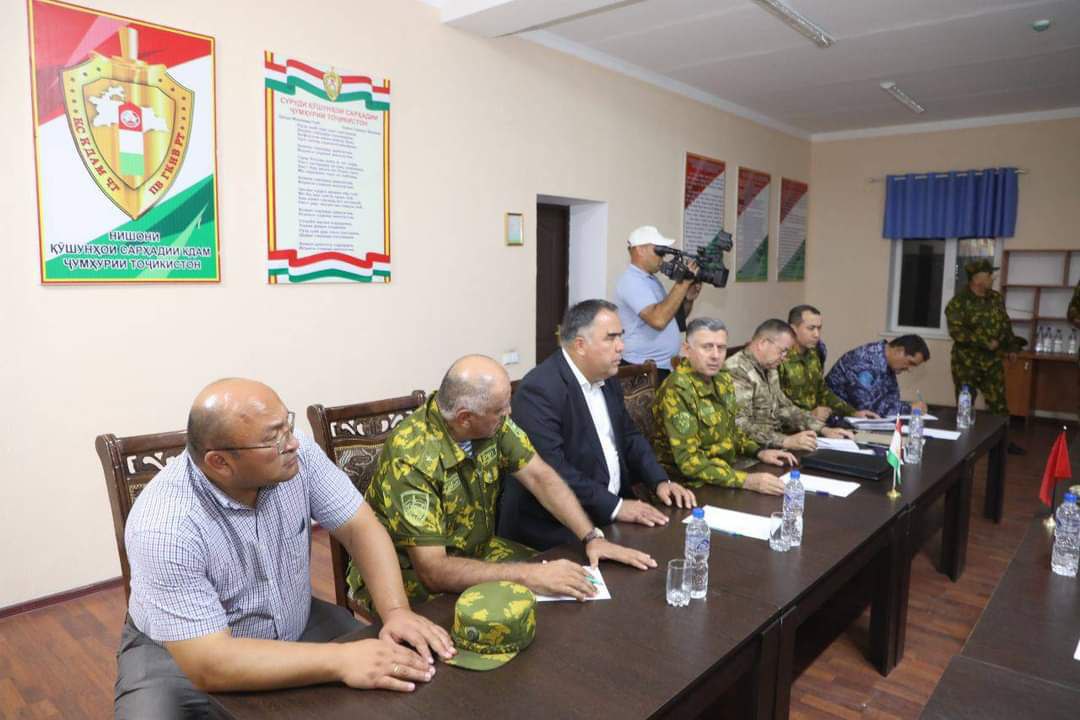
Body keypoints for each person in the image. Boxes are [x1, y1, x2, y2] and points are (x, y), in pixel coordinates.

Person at [117, 379, 455, 719]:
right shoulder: (164, 527)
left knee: (409, 678)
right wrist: (341, 660)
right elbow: (209, 663)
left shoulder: (297, 454)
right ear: (220, 462)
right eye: (273, 439)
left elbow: (359, 527)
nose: (292, 443)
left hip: (299, 623)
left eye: (287, 426)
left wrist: (396, 611)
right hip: (181, 654)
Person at [352, 355, 656, 612]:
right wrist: (529, 576)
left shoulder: (491, 424)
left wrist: (591, 537)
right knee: (512, 618)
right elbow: (432, 571)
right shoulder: (412, 458)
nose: (509, 414)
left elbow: (540, 476)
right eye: (500, 410)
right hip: (405, 575)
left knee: (568, 586)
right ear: (465, 418)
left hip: (478, 550)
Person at [499, 299, 697, 550]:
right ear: (580, 345)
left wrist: (660, 481)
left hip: (610, 514)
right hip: (556, 527)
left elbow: (629, 436)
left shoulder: (606, 377)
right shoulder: (539, 390)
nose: (621, 346)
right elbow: (553, 470)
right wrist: (615, 507)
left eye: (621, 336)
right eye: (611, 338)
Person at [653, 318, 797, 495]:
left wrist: (758, 452)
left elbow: (731, 432)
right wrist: (745, 480)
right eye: (707, 347)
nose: (715, 355)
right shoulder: (677, 389)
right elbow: (689, 462)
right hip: (689, 485)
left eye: (721, 348)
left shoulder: (722, 378)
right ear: (686, 350)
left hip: (726, 472)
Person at [726, 319, 855, 452]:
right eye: (783, 351)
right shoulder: (737, 370)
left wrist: (823, 429)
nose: (784, 357)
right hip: (751, 452)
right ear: (763, 343)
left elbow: (785, 407)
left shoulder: (769, 367)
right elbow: (740, 425)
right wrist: (785, 441)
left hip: (774, 444)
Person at [945, 259, 1028, 452]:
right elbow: (957, 332)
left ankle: (1003, 444)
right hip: (966, 362)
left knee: (999, 404)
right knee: (966, 404)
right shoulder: (958, 303)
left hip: (992, 361)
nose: (992, 278)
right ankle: (964, 444)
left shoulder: (995, 298)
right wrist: (985, 342)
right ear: (976, 279)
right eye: (989, 274)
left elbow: (1004, 324)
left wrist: (1012, 347)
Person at [614, 225, 701, 378]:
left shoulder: (651, 280)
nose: (663, 257)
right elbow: (658, 320)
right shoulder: (631, 281)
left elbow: (673, 318)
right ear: (640, 250)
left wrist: (688, 299)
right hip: (642, 370)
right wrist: (683, 283)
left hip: (663, 367)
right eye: (659, 251)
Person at [778, 304, 879, 421]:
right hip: (791, 427)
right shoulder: (779, 358)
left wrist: (854, 413)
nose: (816, 334)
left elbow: (823, 391)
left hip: (814, 425)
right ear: (793, 329)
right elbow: (773, 406)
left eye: (819, 328)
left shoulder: (813, 354)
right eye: (811, 328)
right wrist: (809, 414)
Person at [824, 335, 930, 419]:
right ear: (899, 351)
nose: (909, 369)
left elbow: (891, 400)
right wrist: (909, 408)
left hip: (859, 421)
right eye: (910, 363)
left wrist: (912, 407)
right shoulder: (864, 360)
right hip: (834, 420)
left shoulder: (887, 364)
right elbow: (868, 407)